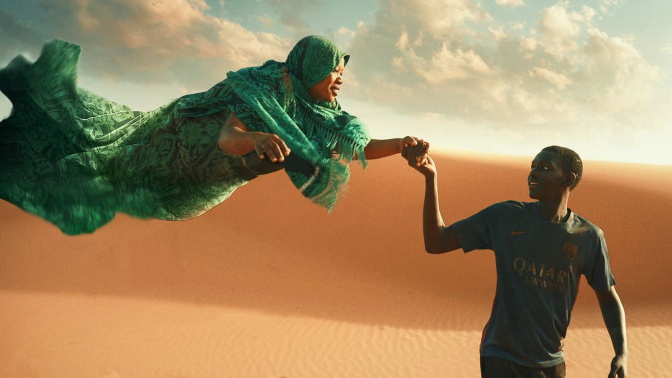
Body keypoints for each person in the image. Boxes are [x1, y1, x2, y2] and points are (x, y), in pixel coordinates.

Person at [0, 35, 426, 235]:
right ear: (311, 66)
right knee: (101, 165)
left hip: (209, 176)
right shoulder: (267, 85)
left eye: (342, 71)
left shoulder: (322, 115)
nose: (339, 78)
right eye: (334, 68)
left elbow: (352, 147)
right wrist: (257, 140)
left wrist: (400, 145)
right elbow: (228, 134)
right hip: (181, 142)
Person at [401, 144, 627, 378]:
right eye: (533, 166)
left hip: (550, 362)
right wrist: (431, 178)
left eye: (545, 167)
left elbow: (608, 298)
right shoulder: (506, 216)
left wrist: (621, 352)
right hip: (500, 355)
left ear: (568, 179)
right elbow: (437, 242)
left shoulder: (588, 237)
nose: (533, 172)